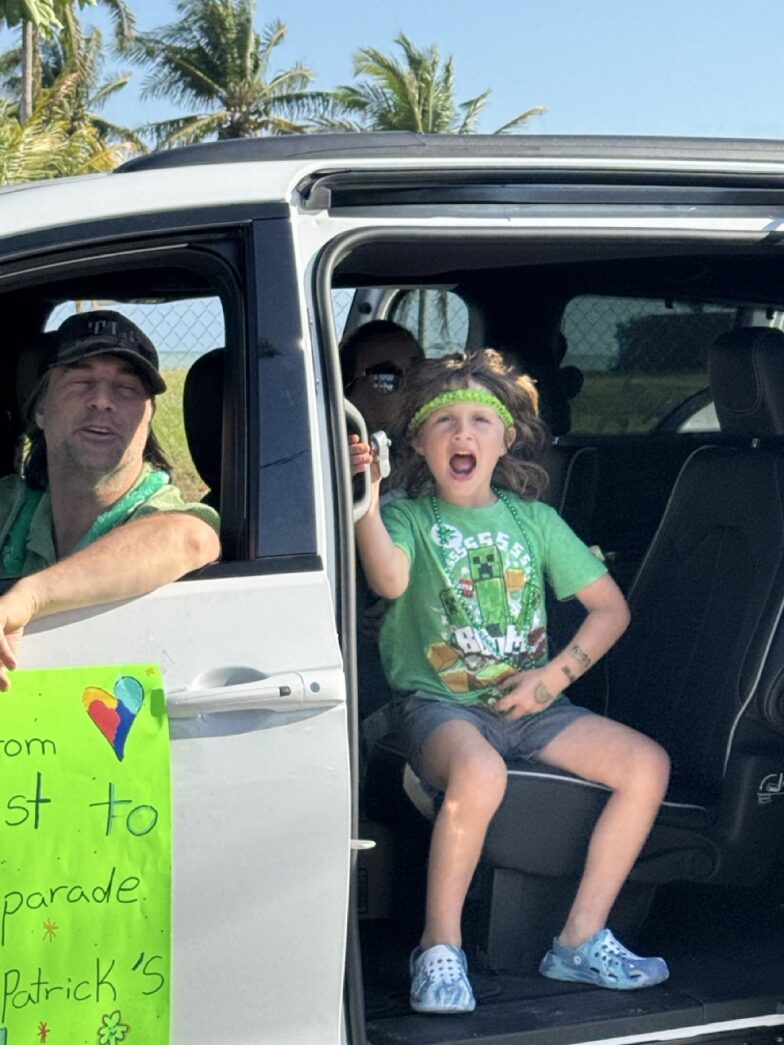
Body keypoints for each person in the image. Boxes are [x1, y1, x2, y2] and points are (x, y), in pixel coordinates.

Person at [350, 349, 670, 1014]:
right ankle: (440, 946)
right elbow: (388, 580)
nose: (462, 435)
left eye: (478, 421)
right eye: (443, 423)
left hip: (532, 704)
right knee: (482, 770)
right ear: (416, 442)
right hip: (439, 707)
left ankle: (579, 937)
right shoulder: (410, 517)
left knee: (647, 764)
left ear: (506, 438)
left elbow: (611, 610)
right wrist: (366, 502)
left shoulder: (536, 522)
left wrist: (552, 680)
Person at [0, 309, 221, 691]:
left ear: (147, 415)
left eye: (127, 388)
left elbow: (191, 539)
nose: (102, 401)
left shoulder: (163, 514)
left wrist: (29, 597)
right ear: (40, 408)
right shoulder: (11, 505)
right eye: (81, 380)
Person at [342, 319, 424, 437]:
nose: (409, 390)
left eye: (416, 375)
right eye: (386, 380)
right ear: (348, 390)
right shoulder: (323, 450)